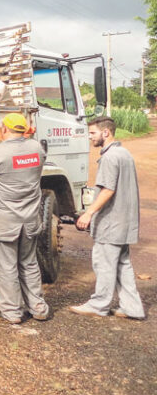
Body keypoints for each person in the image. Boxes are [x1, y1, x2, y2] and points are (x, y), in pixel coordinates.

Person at [0, 112, 50, 324]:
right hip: (30, 221)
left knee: (7, 268)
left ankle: (13, 312)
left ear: (5, 129)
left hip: (5, 223)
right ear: (23, 129)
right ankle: (39, 308)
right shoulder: (36, 149)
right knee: (29, 264)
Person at [70, 116, 145, 320]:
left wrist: (89, 213)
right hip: (124, 222)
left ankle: (99, 304)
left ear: (106, 132)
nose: (90, 137)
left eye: (93, 133)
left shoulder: (110, 157)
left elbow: (108, 190)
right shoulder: (124, 153)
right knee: (122, 265)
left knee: (104, 264)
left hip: (111, 223)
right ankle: (132, 308)